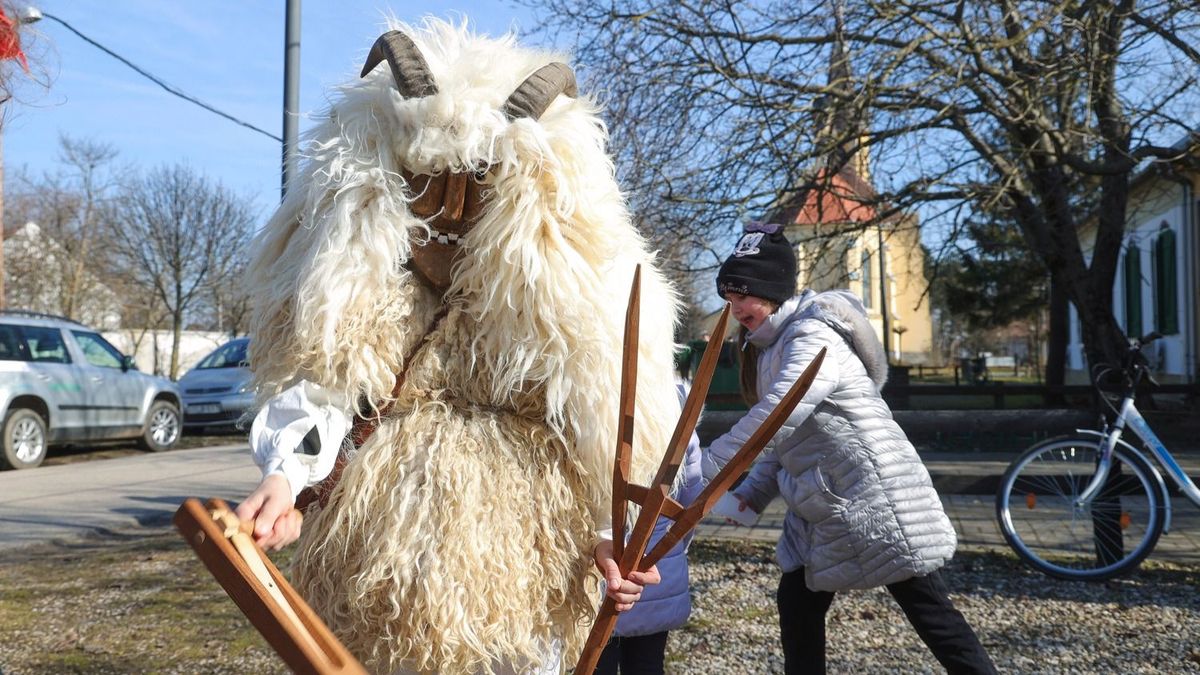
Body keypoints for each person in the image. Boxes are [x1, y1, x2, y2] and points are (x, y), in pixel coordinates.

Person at [230, 18, 683, 674]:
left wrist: (614, 536)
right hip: (373, 558)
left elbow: (606, 411)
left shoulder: (559, 297)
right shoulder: (365, 282)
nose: (448, 214)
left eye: (478, 184)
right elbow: (324, 373)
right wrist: (286, 477)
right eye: (426, 182)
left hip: (519, 560)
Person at [704, 222, 996, 674]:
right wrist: (751, 494)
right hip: (827, 501)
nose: (735, 305)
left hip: (874, 494)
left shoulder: (812, 337)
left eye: (744, 292)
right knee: (797, 606)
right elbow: (787, 441)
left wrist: (710, 467)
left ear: (773, 289)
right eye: (729, 295)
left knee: (930, 610)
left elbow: (782, 413)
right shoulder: (770, 347)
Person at [596, 384, 703, 675]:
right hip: (655, 574)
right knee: (647, 665)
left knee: (596, 662)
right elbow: (690, 496)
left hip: (599, 578)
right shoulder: (673, 400)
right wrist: (674, 549)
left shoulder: (589, 400)